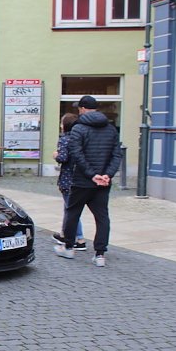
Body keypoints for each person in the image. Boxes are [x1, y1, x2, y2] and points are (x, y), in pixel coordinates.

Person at [54, 95, 122, 267]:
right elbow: (116, 155)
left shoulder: (79, 128)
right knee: (102, 217)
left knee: (72, 212)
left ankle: (69, 248)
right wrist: (107, 175)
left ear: (83, 109)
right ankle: (100, 254)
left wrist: (91, 175)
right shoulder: (111, 129)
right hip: (103, 183)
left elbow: (77, 154)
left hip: (82, 180)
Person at [52, 113, 87, 251]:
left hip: (68, 179)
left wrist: (56, 155)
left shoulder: (65, 139)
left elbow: (63, 158)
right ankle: (65, 233)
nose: (60, 126)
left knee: (71, 209)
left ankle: (79, 238)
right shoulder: (82, 138)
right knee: (70, 208)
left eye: (61, 123)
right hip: (80, 177)